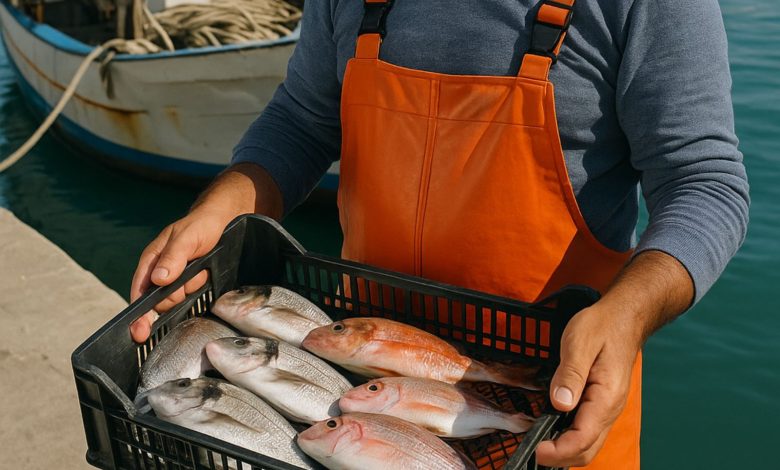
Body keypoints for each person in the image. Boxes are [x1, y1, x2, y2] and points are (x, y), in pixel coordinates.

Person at [129, 0, 749, 467]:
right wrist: (225, 204)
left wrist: (630, 311)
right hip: (359, 381)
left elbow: (704, 181)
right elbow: (303, 118)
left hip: (557, 394)